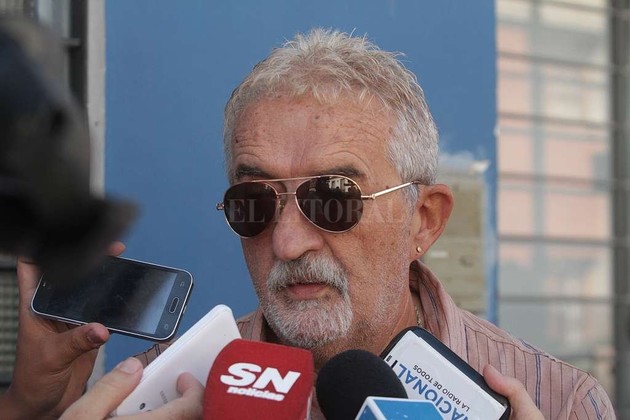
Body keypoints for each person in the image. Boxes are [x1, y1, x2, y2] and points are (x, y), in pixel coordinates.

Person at [2, 29, 615, 419]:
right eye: (254, 203)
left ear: (424, 221)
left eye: (334, 200)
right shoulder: (171, 390)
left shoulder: (561, 401)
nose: (288, 241)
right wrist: (31, 407)